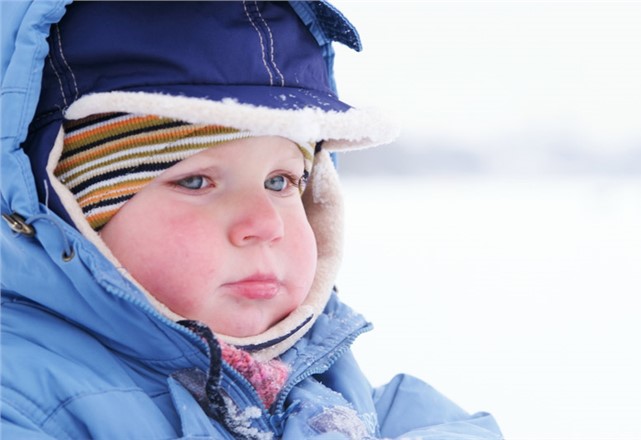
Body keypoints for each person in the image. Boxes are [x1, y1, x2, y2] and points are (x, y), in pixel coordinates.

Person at [1, 1, 503, 438]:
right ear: (73, 217)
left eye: (281, 182)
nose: (266, 223)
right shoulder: (23, 396)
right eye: (197, 182)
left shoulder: (312, 374)